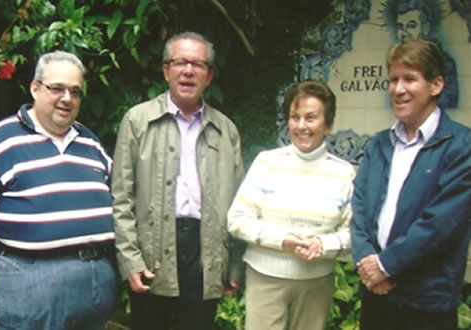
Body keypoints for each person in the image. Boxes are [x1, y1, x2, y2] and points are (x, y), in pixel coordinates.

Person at [0, 51, 117, 329]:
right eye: (57, 88)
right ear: (35, 88)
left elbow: (116, 195)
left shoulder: (90, 142)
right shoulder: (0, 140)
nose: (67, 98)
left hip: (94, 275)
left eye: (76, 92)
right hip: (29, 277)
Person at [112, 31, 245, 330]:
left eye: (197, 64)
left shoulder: (226, 130)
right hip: (151, 252)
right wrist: (130, 261)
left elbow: (240, 204)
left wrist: (234, 264)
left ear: (208, 76)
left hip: (206, 251)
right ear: (166, 70)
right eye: (180, 62)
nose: (188, 71)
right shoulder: (137, 121)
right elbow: (121, 199)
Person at [350, 39, 471, 330]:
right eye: (393, 79)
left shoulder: (461, 146)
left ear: (436, 85)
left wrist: (385, 266)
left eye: (410, 79)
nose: (398, 89)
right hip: (377, 297)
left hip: (426, 303)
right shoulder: (379, 145)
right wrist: (368, 263)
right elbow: (360, 209)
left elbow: (440, 224)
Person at [227, 80, 355, 330]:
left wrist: (322, 245)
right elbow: (237, 220)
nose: (302, 126)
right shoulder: (267, 163)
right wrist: (283, 240)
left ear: (327, 125)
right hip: (265, 277)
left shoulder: (343, 172)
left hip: (317, 281)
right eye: (295, 118)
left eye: (311, 118)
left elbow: (354, 233)